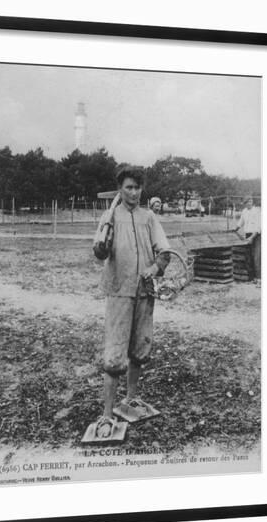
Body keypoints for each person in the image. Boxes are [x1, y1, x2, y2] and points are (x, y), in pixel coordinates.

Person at [92, 166, 171, 438]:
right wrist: (102, 244)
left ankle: (131, 398)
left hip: (145, 291)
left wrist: (156, 267)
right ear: (120, 189)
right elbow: (99, 253)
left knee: (139, 348)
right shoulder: (110, 215)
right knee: (114, 354)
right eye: (128, 187)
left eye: (137, 188)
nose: (134, 192)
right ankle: (106, 415)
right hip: (119, 290)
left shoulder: (149, 217)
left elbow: (165, 251)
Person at [235, 196, 261, 285]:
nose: (249, 203)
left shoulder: (257, 211)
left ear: (252, 202)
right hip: (247, 234)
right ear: (245, 203)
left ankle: (259, 279)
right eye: (247, 202)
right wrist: (235, 229)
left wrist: (252, 238)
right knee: (248, 257)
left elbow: (258, 227)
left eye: (250, 201)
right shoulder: (244, 211)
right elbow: (241, 222)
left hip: (256, 235)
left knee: (256, 257)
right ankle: (251, 278)